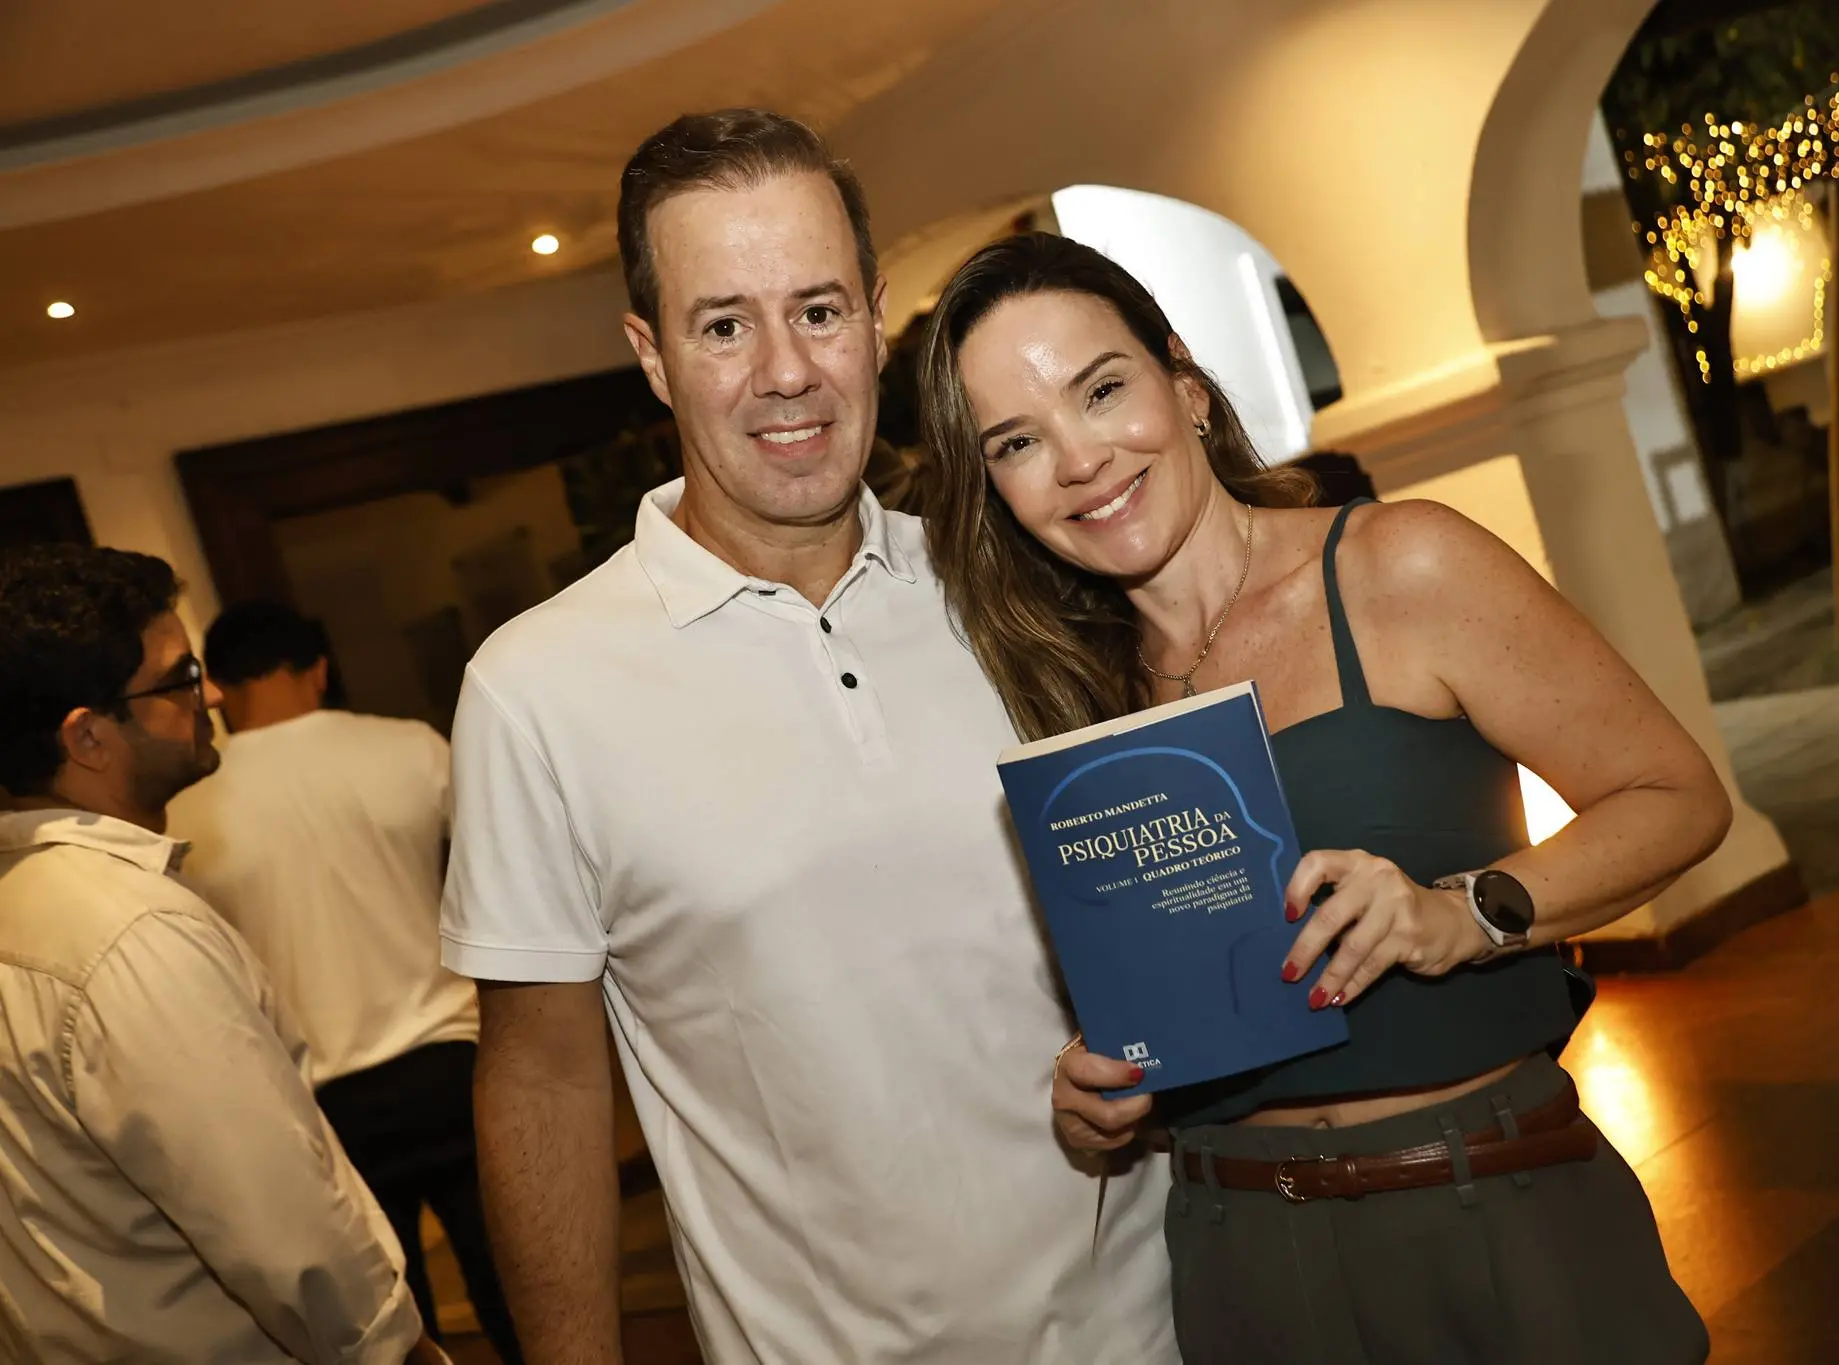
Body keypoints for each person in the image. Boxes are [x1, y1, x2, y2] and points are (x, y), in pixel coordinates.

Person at [439, 111, 1175, 1365]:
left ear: (875, 320)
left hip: (1161, 1323)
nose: (786, 371)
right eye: (723, 326)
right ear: (652, 355)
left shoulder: (1010, 588)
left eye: (818, 311)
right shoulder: (535, 691)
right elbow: (542, 1084)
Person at [915, 232, 1725, 1365]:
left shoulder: (1398, 567)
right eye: (1017, 441)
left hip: (1491, 1209)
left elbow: (1676, 797)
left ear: (1186, 385)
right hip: (1239, 1253)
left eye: (1101, 390)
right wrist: (1097, 1091)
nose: (1079, 459)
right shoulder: (1070, 702)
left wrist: (1463, 912)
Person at [0, 544, 444, 1365]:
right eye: (179, 679)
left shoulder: (27, 904)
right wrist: (401, 1349)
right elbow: (284, 1230)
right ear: (88, 735)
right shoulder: (130, 933)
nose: (210, 695)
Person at [168, 602, 521, 1365]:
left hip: (323, 1102)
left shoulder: (188, 811)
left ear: (218, 688)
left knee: (392, 1323)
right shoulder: (411, 747)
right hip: (450, 1064)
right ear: (319, 669)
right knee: (518, 1290)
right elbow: (502, 889)